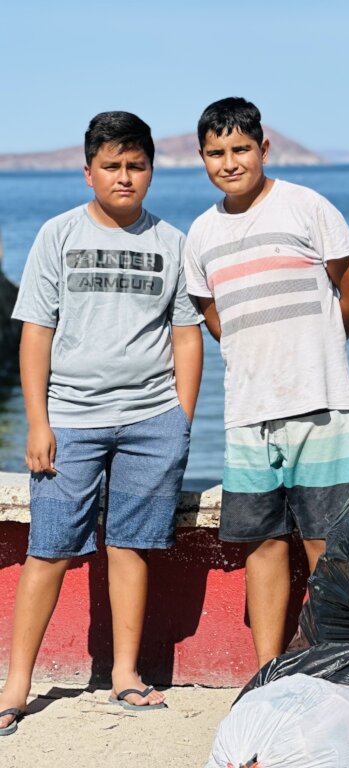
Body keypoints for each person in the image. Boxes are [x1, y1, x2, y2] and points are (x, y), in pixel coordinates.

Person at [0, 111, 204, 734]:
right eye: (111, 166)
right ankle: (15, 685)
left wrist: (181, 421)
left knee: (131, 547)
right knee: (49, 550)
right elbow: (36, 333)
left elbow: (186, 335)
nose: (124, 177)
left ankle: (124, 676)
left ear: (151, 171)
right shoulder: (58, 236)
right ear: (88, 171)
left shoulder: (173, 241)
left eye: (136, 166)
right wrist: (39, 421)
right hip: (71, 421)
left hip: (151, 420)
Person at [183, 97, 349, 668]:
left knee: (326, 543)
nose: (230, 162)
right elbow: (214, 316)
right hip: (247, 413)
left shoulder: (306, 207)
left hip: (321, 405)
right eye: (216, 153)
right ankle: (267, 668)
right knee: (261, 543)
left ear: (264, 148)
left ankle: (334, 661)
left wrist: (316, 348)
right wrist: (257, 357)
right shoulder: (201, 234)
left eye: (241, 149)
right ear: (202, 158)